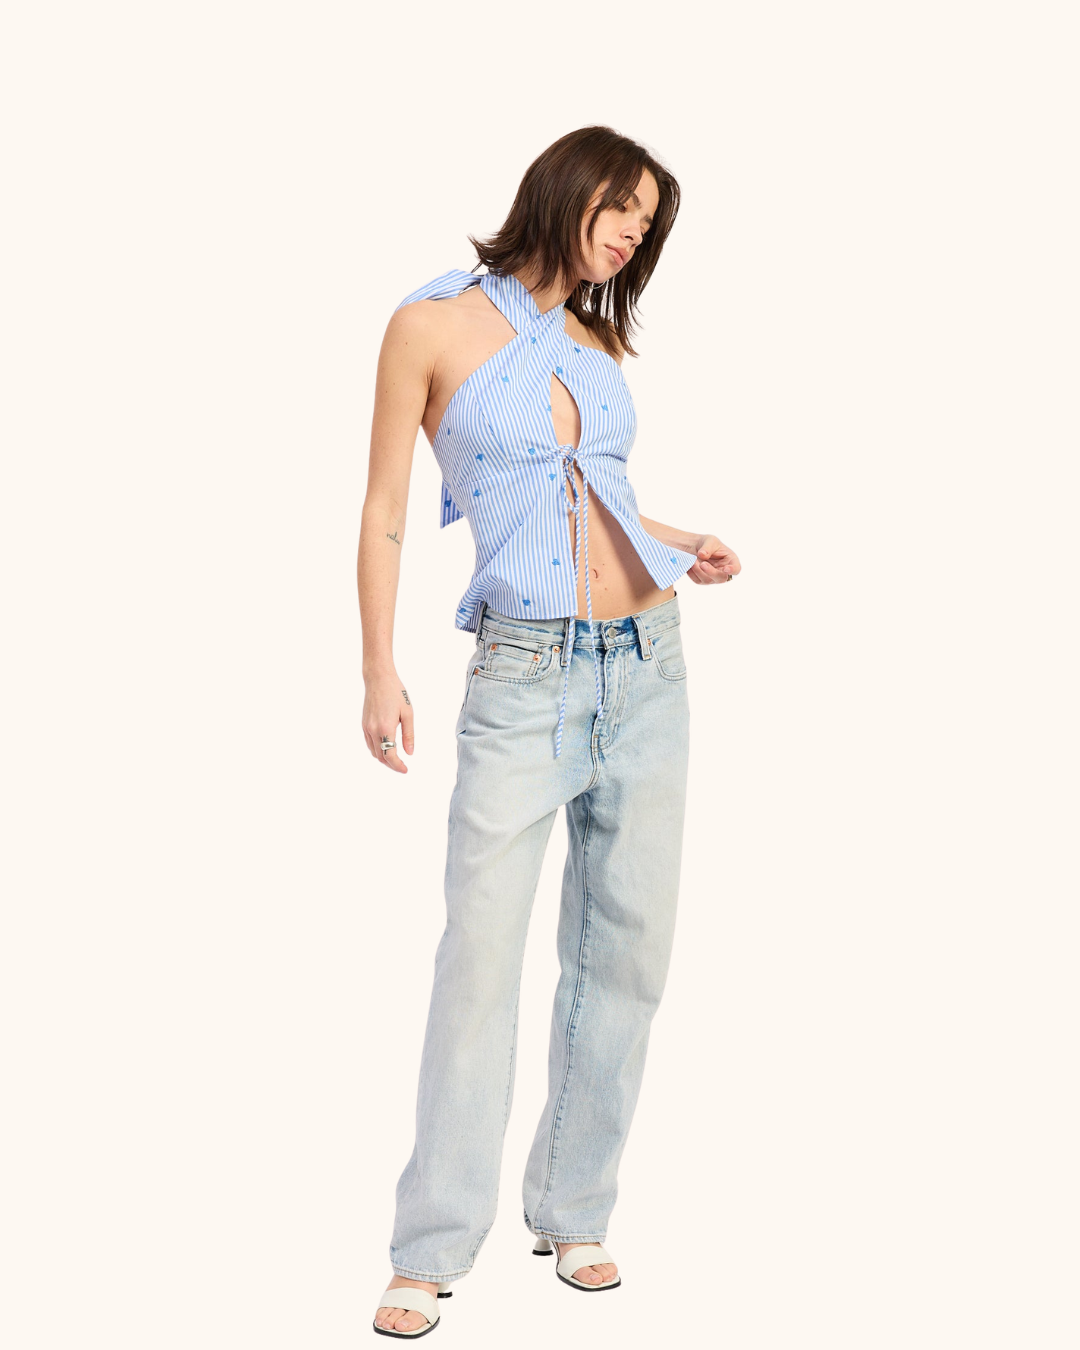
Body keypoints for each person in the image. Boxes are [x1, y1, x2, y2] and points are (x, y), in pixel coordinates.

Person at [357, 125, 741, 1338]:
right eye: (621, 206)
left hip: (648, 666)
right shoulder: (430, 326)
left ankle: (575, 1209)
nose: (631, 233)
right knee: (480, 957)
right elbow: (385, 509)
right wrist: (379, 666)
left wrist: (682, 542)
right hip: (523, 676)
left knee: (626, 953)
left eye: (647, 223)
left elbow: (594, 497)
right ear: (565, 188)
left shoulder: (598, 341)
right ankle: (430, 1247)